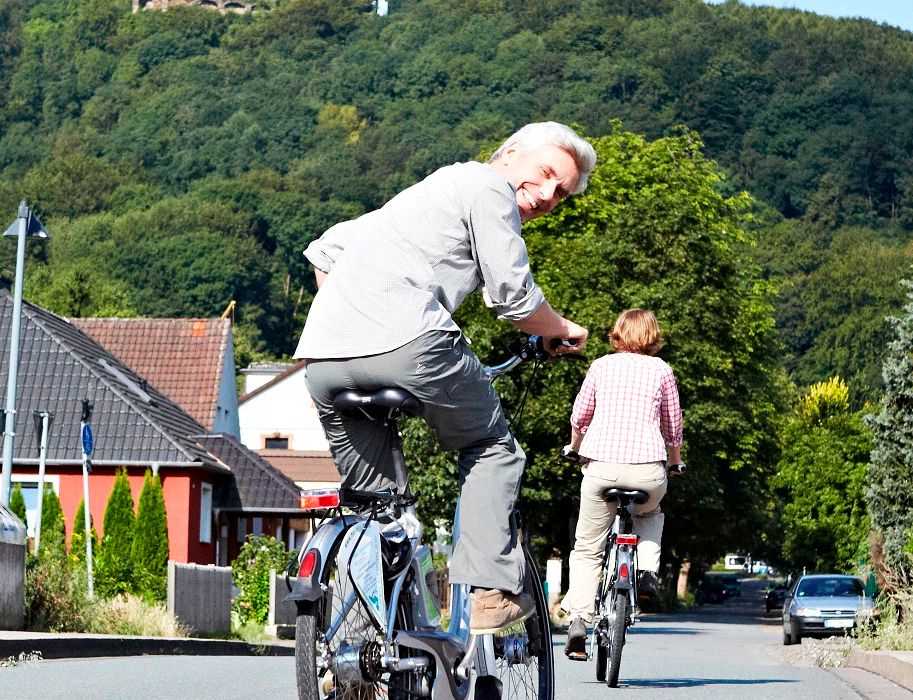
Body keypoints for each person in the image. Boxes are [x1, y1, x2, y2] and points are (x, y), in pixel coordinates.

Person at [295, 122, 596, 633]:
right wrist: (562, 327)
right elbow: (514, 298)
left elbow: (326, 250)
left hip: (324, 359)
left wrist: (357, 314)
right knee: (492, 446)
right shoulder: (487, 187)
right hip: (412, 346)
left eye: (561, 193)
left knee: (378, 505)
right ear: (511, 152)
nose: (547, 195)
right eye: (546, 174)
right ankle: (490, 593)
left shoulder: (425, 195)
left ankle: (370, 639)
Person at [560, 308, 684, 659]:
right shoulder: (662, 370)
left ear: (617, 333)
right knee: (650, 514)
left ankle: (579, 622)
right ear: (652, 336)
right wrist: (674, 463)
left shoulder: (600, 365)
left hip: (602, 470)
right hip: (648, 472)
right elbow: (672, 427)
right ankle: (645, 573)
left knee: (587, 548)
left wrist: (575, 448)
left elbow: (581, 415)